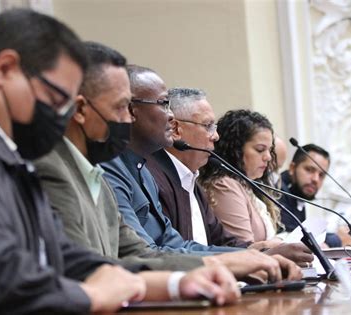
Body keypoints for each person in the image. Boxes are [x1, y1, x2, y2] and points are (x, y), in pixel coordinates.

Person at [0, 9, 239, 314]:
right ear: (4, 70)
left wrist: (170, 284)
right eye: (57, 97)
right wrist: (91, 296)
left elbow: (62, 254)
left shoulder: (10, 152)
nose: (63, 114)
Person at [102, 65, 303, 281]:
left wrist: (252, 256)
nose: (171, 115)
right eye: (163, 104)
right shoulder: (114, 168)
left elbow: (176, 244)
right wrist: (239, 261)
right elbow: (145, 254)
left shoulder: (143, 171)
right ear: (130, 110)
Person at [34, 42, 204, 271]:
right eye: (121, 107)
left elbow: (138, 253)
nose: (128, 119)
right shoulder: (50, 169)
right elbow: (87, 270)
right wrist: (176, 284)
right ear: (82, 110)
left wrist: (226, 264)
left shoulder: (97, 176)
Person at [147, 88, 314, 266]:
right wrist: (264, 255)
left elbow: (223, 242)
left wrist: (265, 251)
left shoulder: (191, 181)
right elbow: (170, 251)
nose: (216, 136)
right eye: (208, 126)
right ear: (176, 129)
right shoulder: (155, 179)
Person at [199, 109, 287, 244]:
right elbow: (243, 249)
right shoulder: (224, 185)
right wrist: (281, 243)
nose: (268, 157)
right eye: (260, 149)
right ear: (235, 150)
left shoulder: (246, 185)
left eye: (269, 150)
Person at [279, 143, 342, 247]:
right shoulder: (278, 191)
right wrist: (335, 240)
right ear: (292, 168)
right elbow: (293, 240)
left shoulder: (298, 193)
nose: (315, 179)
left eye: (321, 175)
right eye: (309, 170)